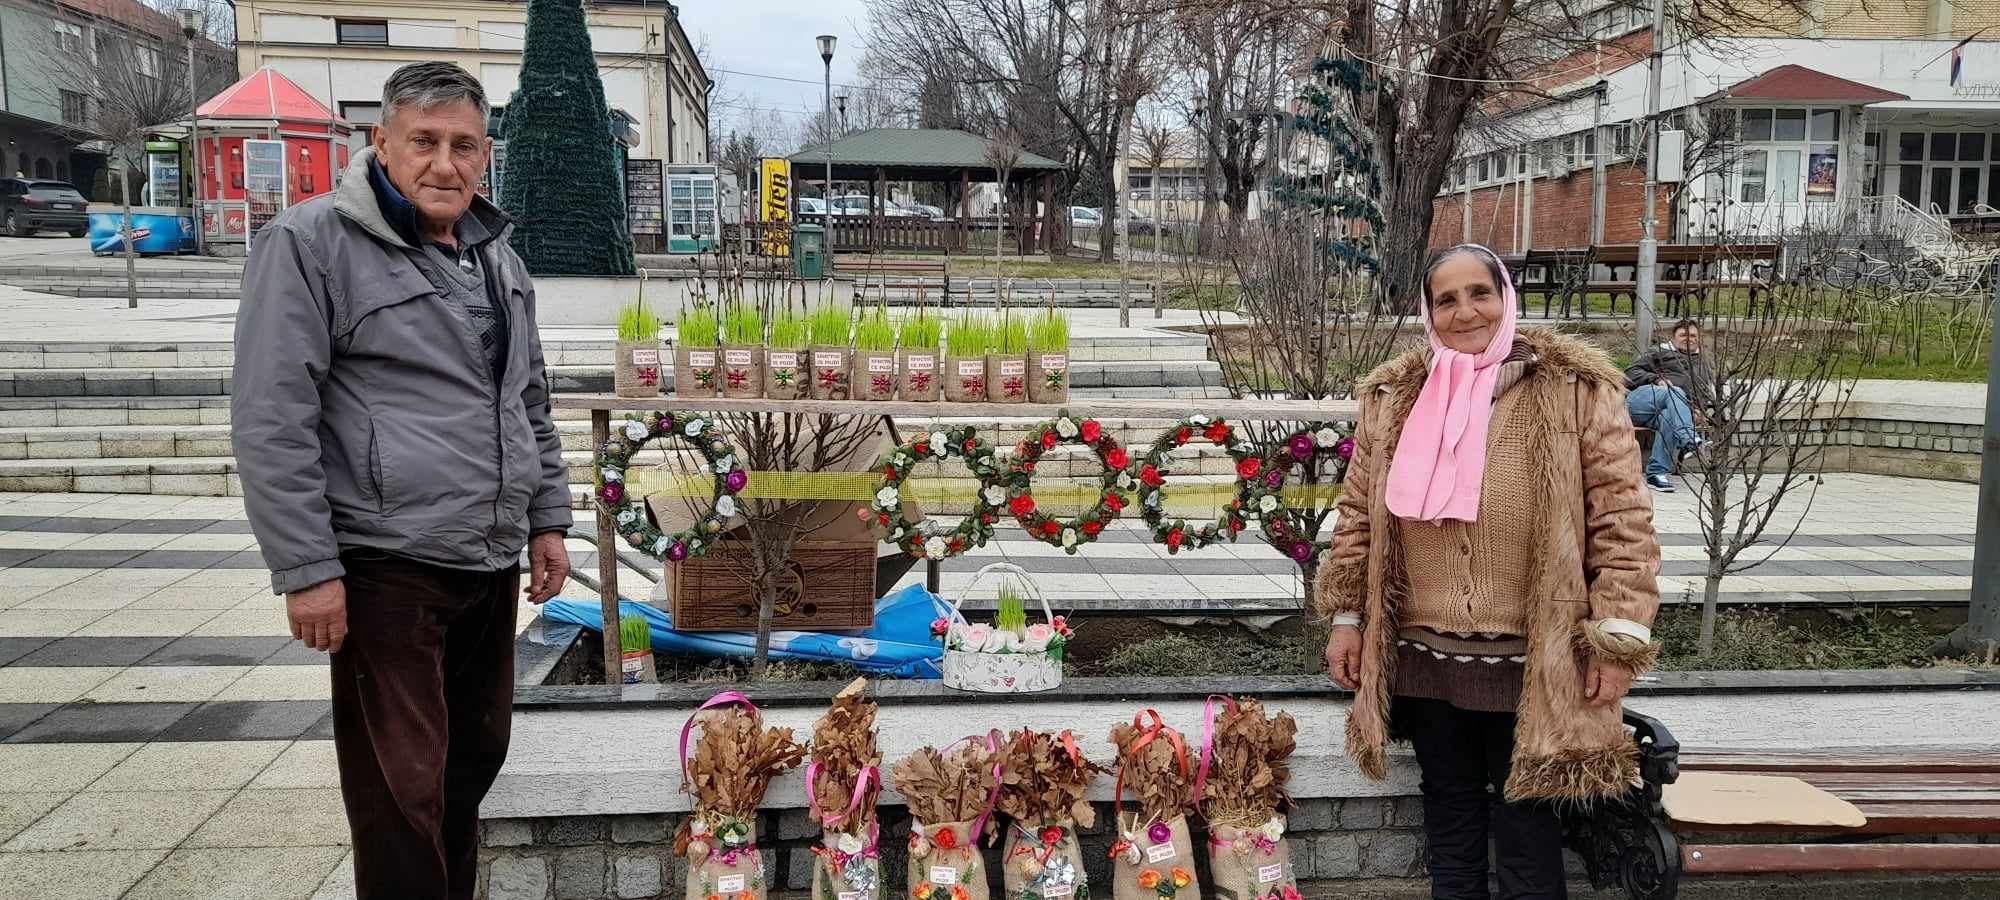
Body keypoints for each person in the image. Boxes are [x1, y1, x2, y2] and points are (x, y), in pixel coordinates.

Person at [231, 62, 572, 900]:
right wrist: (307, 569)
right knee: (400, 790)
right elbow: (272, 415)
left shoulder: (497, 256)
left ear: (486, 154)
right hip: (387, 564)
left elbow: (527, 398)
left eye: (464, 145)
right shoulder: (310, 245)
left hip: (486, 560)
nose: (444, 165)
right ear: (381, 143)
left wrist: (547, 519)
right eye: (424, 142)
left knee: (470, 766)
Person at [1319, 244, 1662, 900]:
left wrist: (1617, 639)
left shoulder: (1575, 390)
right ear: (1428, 313)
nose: (1465, 311)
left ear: (1506, 297)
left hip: (1534, 659)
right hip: (1424, 655)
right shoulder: (1395, 397)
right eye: (1446, 300)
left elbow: (1624, 523)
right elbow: (1358, 516)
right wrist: (1347, 617)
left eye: (1480, 292)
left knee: (1529, 828)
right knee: (1449, 814)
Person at [1623, 319, 1710, 493]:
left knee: (1669, 416)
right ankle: (1688, 438)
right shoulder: (1659, 352)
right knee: (1674, 390)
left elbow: (1704, 391)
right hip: (1641, 402)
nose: (1689, 338)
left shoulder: (1703, 363)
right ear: (1674, 337)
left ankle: (1656, 473)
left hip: (1667, 410)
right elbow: (1630, 373)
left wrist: (1699, 409)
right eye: (1683, 335)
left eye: (1693, 335)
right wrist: (1657, 379)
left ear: (1699, 338)